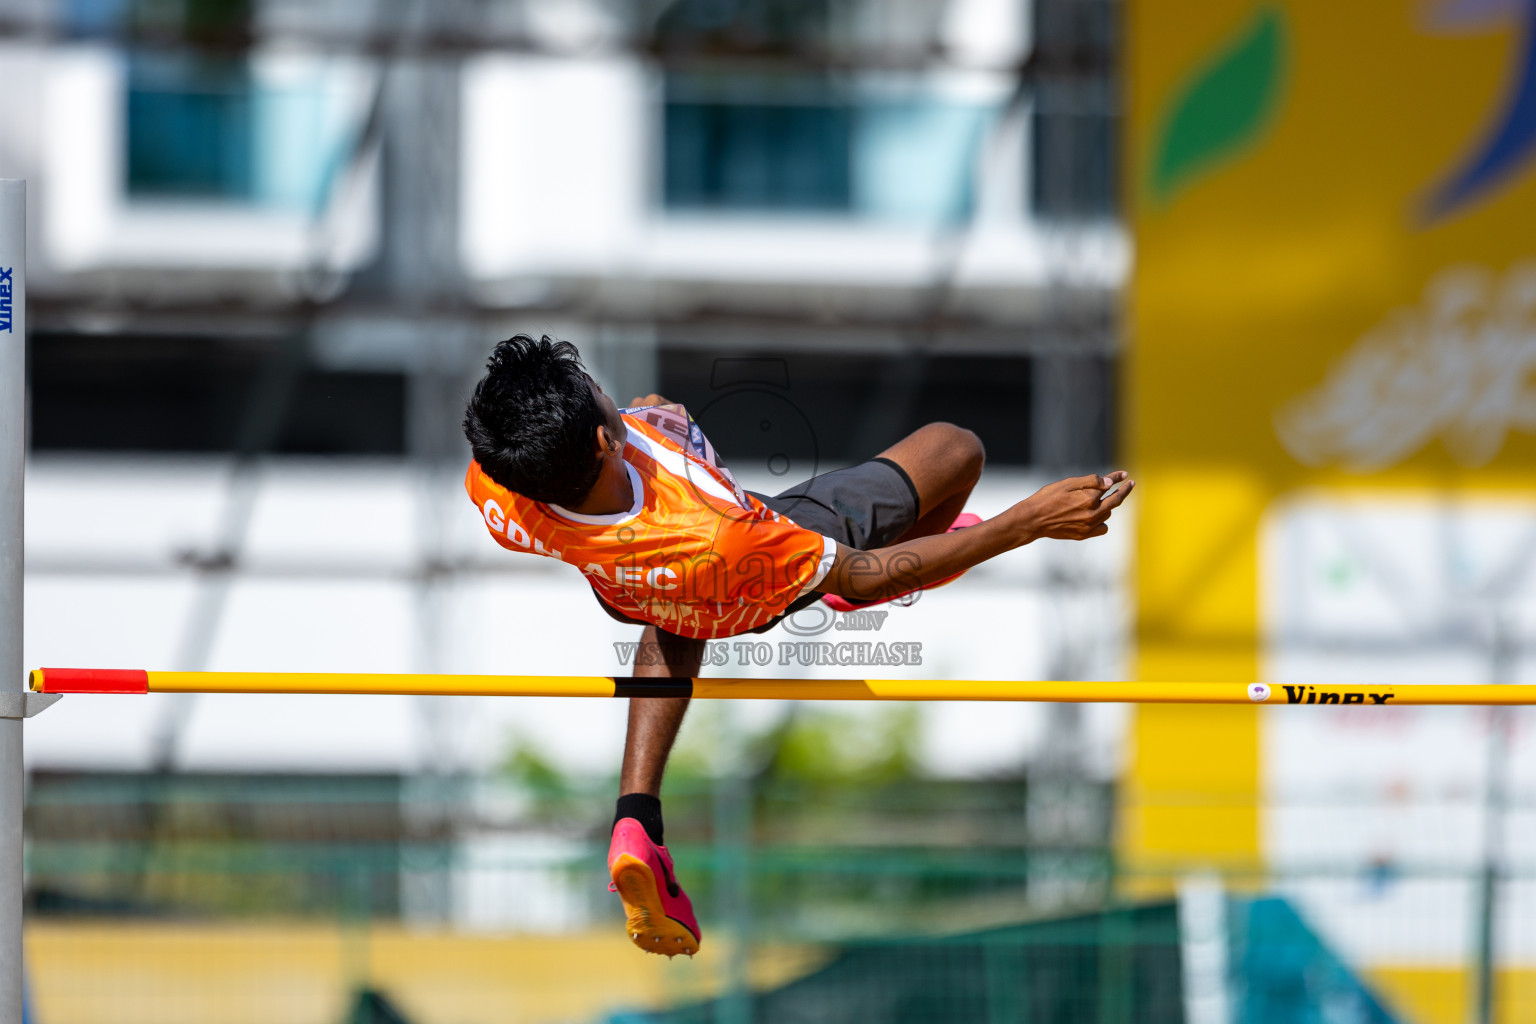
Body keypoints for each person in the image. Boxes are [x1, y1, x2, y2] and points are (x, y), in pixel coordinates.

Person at [461, 334, 1134, 959]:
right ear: (605, 443)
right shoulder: (728, 534)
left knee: (674, 601)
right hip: (748, 581)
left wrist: (652, 426)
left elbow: (612, 483)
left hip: (630, 583)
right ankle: (831, 584)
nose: (604, 387)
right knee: (954, 450)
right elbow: (862, 569)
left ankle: (637, 819)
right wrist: (1028, 523)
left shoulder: (499, 483)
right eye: (596, 391)